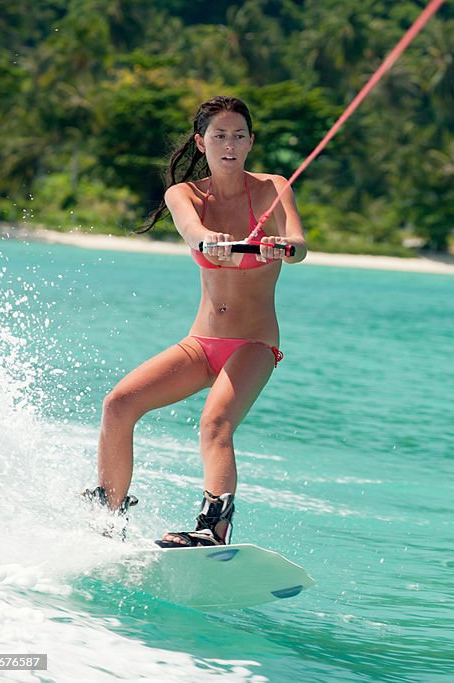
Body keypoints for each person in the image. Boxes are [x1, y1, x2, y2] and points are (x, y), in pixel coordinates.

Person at [83, 96, 306, 547]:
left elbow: (300, 245)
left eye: (239, 136)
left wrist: (281, 246)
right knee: (118, 404)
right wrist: (208, 241)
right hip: (201, 344)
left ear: (250, 142)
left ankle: (213, 528)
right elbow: (192, 231)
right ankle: (107, 518)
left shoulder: (273, 188)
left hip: (253, 345)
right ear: (201, 143)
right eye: (219, 136)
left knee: (215, 424)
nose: (230, 144)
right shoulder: (184, 194)